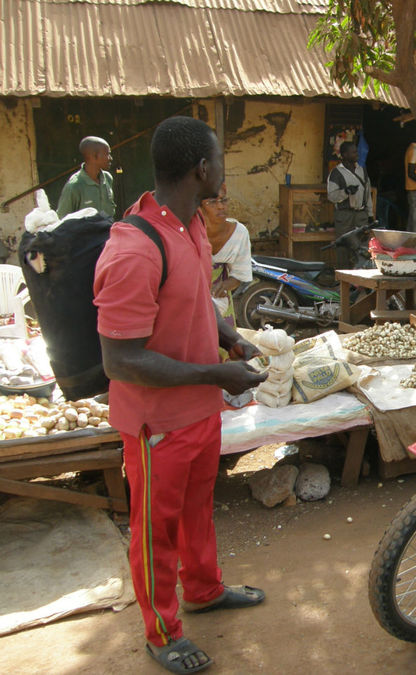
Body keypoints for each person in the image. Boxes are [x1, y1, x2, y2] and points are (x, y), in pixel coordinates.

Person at [93, 116, 268, 674]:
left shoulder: (190, 225)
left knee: (197, 513)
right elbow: (119, 359)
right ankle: (163, 632)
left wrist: (231, 338)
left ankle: (204, 588)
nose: (224, 170)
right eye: (220, 159)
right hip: (156, 424)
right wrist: (216, 376)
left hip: (198, 412)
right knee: (156, 529)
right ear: (201, 169)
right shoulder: (134, 249)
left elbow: (196, 301)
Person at [199, 183, 252, 326]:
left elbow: (240, 274)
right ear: (198, 206)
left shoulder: (239, 233)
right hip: (193, 304)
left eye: (223, 200)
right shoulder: (189, 233)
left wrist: (226, 284)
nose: (221, 206)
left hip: (221, 302)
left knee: (224, 343)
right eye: (212, 202)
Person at [326, 141, 373, 268]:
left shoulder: (362, 171)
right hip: (344, 216)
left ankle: (361, 279)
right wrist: (346, 192)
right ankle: (343, 280)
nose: (356, 154)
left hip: (360, 215)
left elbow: (367, 195)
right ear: (345, 155)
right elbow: (331, 196)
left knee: (363, 247)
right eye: (353, 152)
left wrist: (370, 214)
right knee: (343, 248)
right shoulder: (336, 173)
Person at [57, 136, 116, 218]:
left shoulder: (108, 178)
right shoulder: (74, 186)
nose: (110, 158)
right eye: (107, 154)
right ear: (95, 156)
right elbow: (62, 219)